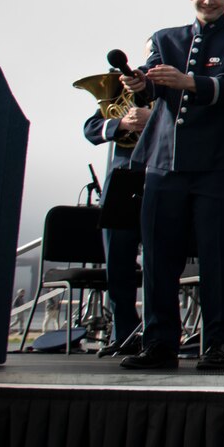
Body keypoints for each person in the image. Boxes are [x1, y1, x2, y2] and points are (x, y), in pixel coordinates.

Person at [118, 0, 224, 370]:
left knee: (218, 257)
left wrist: (191, 83)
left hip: (217, 164)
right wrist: (139, 83)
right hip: (165, 161)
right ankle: (159, 342)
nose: (209, 0)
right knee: (159, 257)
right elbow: (150, 83)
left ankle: (220, 343)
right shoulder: (166, 38)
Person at [83, 93, 150, 352]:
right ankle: (124, 335)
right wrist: (122, 124)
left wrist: (152, 118)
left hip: (162, 175)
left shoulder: (175, 89)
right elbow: (90, 129)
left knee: (161, 265)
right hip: (122, 180)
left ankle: (156, 335)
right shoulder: (123, 95)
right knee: (118, 265)